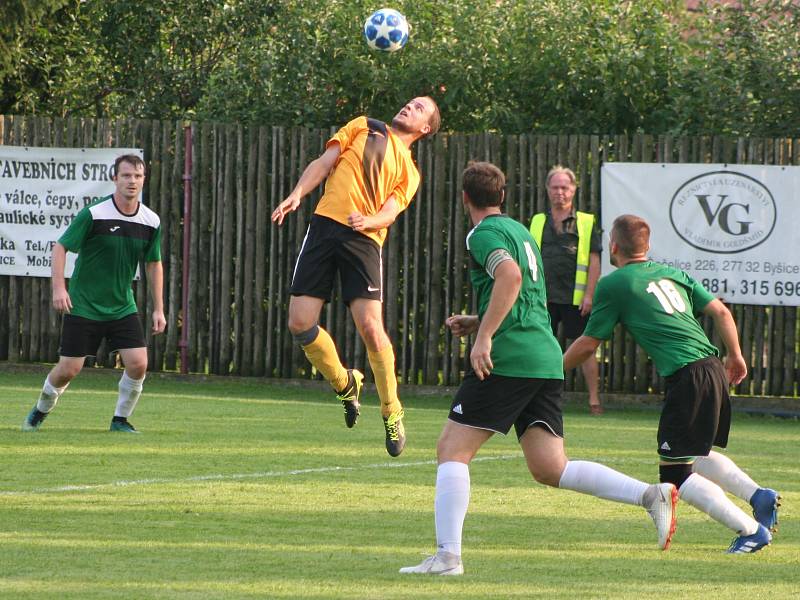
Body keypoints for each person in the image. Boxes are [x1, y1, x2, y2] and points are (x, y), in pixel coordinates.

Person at [400, 162, 676, 576]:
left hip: (511, 359)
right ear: (503, 196)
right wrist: (479, 321)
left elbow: (509, 278)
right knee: (550, 467)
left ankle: (447, 557)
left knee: (451, 451)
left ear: (464, 199)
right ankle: (650, 495)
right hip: (544, 358)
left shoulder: (484, 233)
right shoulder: (522, 232)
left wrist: (484, 337)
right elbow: (526, 294)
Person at [563, 214, 780, 554]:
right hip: (711, 367)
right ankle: (758, 495)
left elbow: (589, 343)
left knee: (675, 477)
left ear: (614, 247)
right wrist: (735, 355)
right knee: (696, 456)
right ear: (647, 247)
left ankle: (751, 530)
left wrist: (552, 371)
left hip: (688, 376)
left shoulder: (614, 283)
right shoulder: (672, 273)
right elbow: (721, 313)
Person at [271, 97, 441, 457]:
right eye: (410, 103)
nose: (409, 107)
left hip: (363, 240)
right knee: (300, 323)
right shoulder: (365, 124)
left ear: (426, 129)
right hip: (323, 228)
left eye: (420, 108)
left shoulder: (410, 172)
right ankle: (346, 383)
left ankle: (391, 410)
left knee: (370, 327)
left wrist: (370, 221)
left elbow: (390, 212)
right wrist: (297, 194)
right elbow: (324, 162)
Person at [22, 154, 165, 433]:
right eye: (125, 175)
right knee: (68, 370)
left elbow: (153, 262)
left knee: (138, 363)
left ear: (143, 180)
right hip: (84, 305)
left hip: (122, 306)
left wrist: (159, 308)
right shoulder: (94, 214)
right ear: (115, 179)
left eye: (137, 176)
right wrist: (59, 288)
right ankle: (40, 411)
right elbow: (60, 247)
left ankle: (120, 420)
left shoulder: (151, 221)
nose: (131, 181)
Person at [530, 166, 602, 414]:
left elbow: (594, 260)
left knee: (585, 347)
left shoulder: (586, 221)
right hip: (543, 298)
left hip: (576, 298)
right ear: (547, 190)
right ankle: (534, 394)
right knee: (539, 346)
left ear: (573, 189)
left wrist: (589, 294)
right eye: (555, 187)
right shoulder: (538, 221)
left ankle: (594, 400)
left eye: (565, 187)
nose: (560, 192)